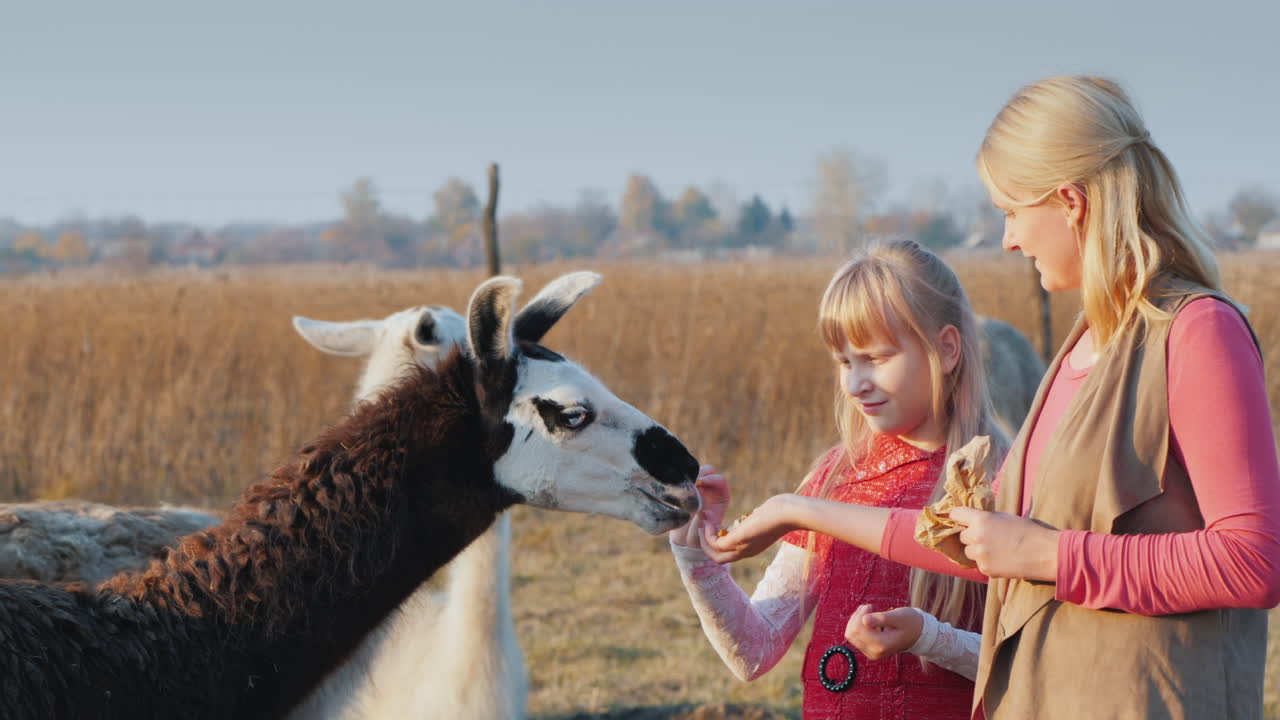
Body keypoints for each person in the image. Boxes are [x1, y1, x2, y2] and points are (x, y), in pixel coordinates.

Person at [700, 75, 1280, 720]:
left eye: (1011, 211)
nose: (1008, 239)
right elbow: (980, 541)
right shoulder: (1084, 348)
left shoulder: (1198, 331)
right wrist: (796, 510)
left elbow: (1253, 559)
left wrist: (1047, 554)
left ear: (1070, 202)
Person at [669, 238, 1008, 719]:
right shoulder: (834, 477)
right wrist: (695, 554)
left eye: (876, 358)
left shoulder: (998, 479)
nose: (854, 384)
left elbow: (1029, 659)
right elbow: (754, 650)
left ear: (946, 349)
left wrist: (929, 638)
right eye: (845, 362)